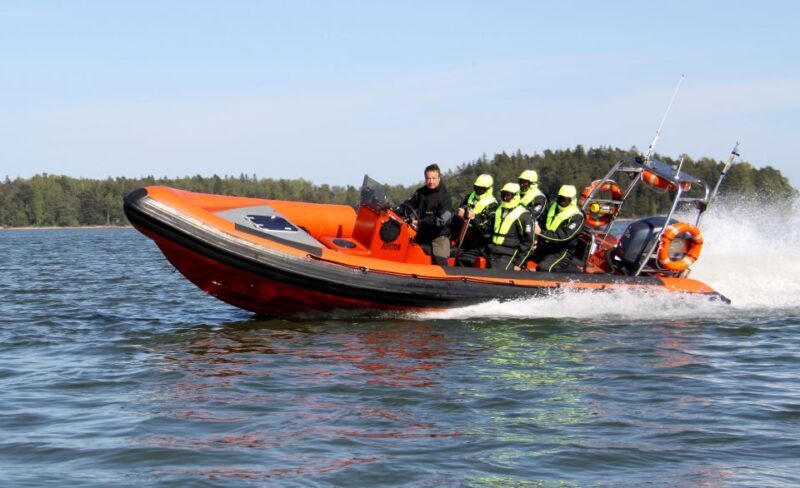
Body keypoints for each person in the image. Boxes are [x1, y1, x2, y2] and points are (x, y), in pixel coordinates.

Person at [399, 163, 454, 266]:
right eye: (428, 178)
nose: (431, 181)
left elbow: (442, 221)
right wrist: (395, 210)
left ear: (439, 178)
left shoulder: (445, 197)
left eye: (433, 178)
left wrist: (420, 222)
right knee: (407, 251)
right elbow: (408, 205)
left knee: (439, 259)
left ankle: (442, 279)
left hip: (439, 236)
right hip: (423, 234)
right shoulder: (420, 193)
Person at [531, 184, 585, 273]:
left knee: (544, 268)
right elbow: (542, 221)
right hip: (545, 245)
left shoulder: (577, 217)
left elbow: (563, 236)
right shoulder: (553, 207)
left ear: (572, 200)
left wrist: (540, 233)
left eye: (565, 200)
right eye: (560, 199)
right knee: (523, 253)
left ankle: (573, 275)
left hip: (562, 251)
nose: (562, 202)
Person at [452, 174, 498, 266]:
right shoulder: (469, 197)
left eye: (481, 189)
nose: (478, 190)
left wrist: (474, 218)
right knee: (450, 253)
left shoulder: (493, 205)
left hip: (478, 242)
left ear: (488, 189)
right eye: (476, 188)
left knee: (463, 259)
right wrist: (461, 213)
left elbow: (487, 230)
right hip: (463, 236)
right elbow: (462, 209)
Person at [486, 182, 534, 271]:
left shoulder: (523, 215)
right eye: (503, 195)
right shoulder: (498, 210)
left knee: (496, 271)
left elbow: (529, 242)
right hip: (492, 249)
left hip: (509, 253)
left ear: (515, 196)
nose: (505, 198)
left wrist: (518, 262)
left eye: (508, 195)